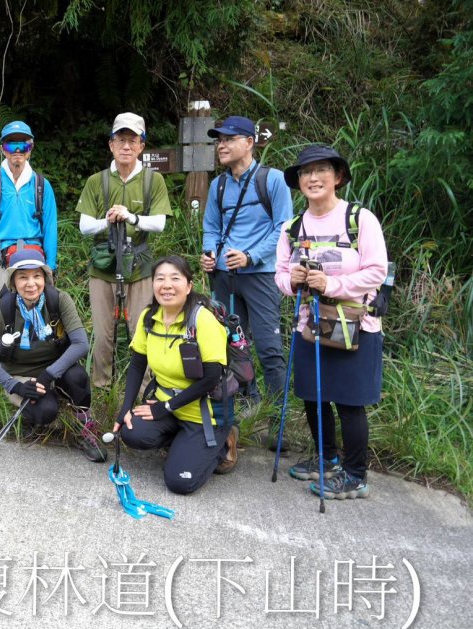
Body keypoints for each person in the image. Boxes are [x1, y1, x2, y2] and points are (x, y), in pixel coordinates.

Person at [274, 145, 387, 500]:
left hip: (355, 324)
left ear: (337, 177)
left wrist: (333, 285)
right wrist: (292, 279)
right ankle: (327, 457)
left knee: (350, 401)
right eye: (306, 172)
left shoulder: (359, 218)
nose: (312, 177)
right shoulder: (292, 227)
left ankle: (355, 475)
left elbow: (377, 271)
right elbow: (279, 276)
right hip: (311, 323)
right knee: (314, 396)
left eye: (321, 170)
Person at [200, 115, 293, 449]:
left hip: (261, 276)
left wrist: (251, 256)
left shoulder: (273, 180)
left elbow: (284, 228)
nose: (221, 146)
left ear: (249, 142)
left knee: (268, 348)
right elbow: (211, 226)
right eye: (218, 140)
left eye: (228, 139)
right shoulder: (218, 185)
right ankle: (243, 409)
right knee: (231, 346)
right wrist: (209, 253)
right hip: (224, 276)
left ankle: (279, 424)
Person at [113, 255, 235, 495]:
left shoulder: (203, 320)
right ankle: (184, 443)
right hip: (167, 405)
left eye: (175, 278)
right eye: (160, 279)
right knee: (131, 432)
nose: (166, 285)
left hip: (204, 413)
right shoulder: (150, 317)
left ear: (189, 286)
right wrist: (126, 407)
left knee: (180, 482)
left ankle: (223, 442)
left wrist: (164, 407)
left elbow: (211, 378)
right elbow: (137, 364)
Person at [0, 248, 106, 462]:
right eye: (23, 277)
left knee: (78, 378)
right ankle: (36, 410)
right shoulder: (3, 309)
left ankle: (84, 428)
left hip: (55, 369)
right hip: (20, 375)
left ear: (46, 278)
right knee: (46, 411)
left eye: (37, 276)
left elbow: (81, 344)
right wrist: (16, 386)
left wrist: (49, 375)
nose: (31, 283)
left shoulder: (59, 300)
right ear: (13, 282)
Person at [76, 112, 171, 388]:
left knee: (141, 331)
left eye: (133, 140)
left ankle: (145, 392)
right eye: (121, 140)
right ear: (111, 145)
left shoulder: (153, 181)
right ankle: (101, 390)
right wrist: (107, 220)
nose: (126, 146)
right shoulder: (97, 181)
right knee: (103, 333)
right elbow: (84, 226)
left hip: (139, 265)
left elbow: (160, 224)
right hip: (103, 265)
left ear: (142, 145)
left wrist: (131, 217)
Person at [0, 121, 58, 305]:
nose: (17, 150)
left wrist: (50, 268)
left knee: (34, 314)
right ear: (3, 149)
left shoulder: (42, 185)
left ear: (31, 149)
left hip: (34, 258)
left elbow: (51, 228)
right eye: (11, 144)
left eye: (24, 144)